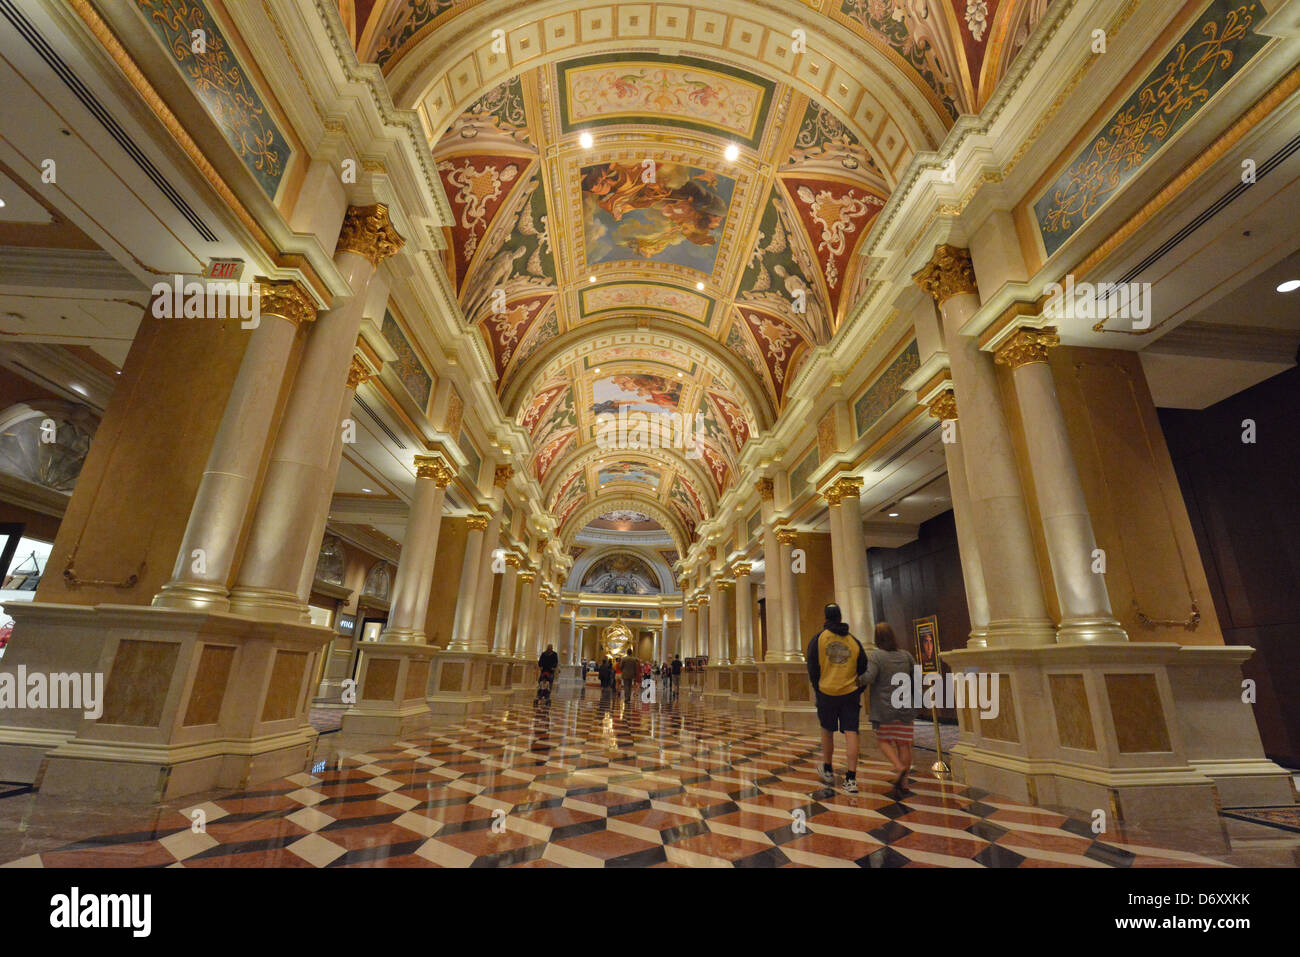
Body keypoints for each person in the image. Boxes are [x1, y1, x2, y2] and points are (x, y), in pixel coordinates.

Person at [806, 603, 868, 794]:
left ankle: (828, 768)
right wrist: (857, 689)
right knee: (851, 732)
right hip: (849, 692)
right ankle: (851, 778)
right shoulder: (853, 641)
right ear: (841, 617)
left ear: (825, 617)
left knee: (827, 730)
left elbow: (812, 667)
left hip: (827, 692)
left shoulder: (819, 639)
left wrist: (819, 688)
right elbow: (864, 668)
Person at [864, 622, 918, 794]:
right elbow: (916, 676)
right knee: (904, 744)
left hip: (885, 708)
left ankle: (898, 766)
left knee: (883, 741)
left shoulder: (876, 656)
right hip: (905, 706)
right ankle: (905, 783)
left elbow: (869, 677)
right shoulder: (906, 656)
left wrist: (856, 677)